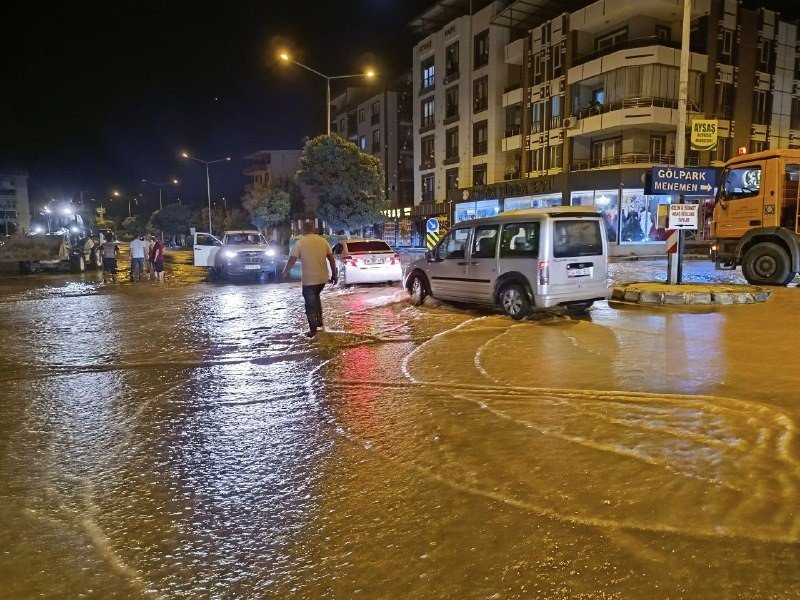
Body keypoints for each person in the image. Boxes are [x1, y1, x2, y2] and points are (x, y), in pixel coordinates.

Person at [281, 221, 338, 338]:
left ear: (303, 230)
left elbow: (292, 260)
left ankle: (313, 331)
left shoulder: (300, 243)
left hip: (309, 280)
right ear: (313, 229)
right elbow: (332, 259)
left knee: (310, 305)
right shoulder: (323, 241)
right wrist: (334, 274)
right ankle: (320, 326)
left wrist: (285, 271)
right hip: (322, 279)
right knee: (316, 300)